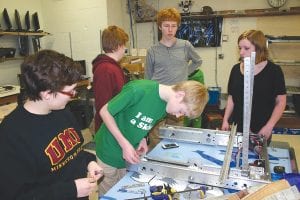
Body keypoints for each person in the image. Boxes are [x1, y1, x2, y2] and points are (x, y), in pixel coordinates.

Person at [0, 50, 103, 200]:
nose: (74, 95)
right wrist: (71, 190)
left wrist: (89, 162)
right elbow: (17, 195)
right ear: (47, 94)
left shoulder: (62, 112)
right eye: (70, 91)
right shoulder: (11, 135)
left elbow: (73, 152)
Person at [95, 79, 208, 194]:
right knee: (109, 194)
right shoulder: (138, 90)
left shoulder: (166, 106)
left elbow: (147, 121)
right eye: (181, 111)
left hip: (128, 156)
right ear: (180, 95)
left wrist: (143, 138)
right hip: (108, 151)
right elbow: (104, 111)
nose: (179, 116)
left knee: (123, 192)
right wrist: (124, 144)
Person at [221, 30, 286, 144]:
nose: (241, 52)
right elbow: (232, 97)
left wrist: (269, 126)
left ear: (259, 49)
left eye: (246, 48)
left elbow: (281, 102)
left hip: (262, 128)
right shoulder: (236, 69)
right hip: (237, 127)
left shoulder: (273, 71)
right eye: (239, 48)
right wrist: (225, 120)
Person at [145, 7, 202, 85]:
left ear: (177, 27)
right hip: (159, 93)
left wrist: (184, 73)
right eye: (166, 26)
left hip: (179, 91)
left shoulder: (186, 46)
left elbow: (198, 61)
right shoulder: (152, 51)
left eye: (173, 26)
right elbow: (147, 77)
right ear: (160, 27)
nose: (170, 30)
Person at [92, 25, 129, 133]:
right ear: (117, 46)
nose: (125, 48)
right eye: (124, 45)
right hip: (108, 130)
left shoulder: (113, 67)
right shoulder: (105, 69)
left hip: (116, 125)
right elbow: (103, 106)